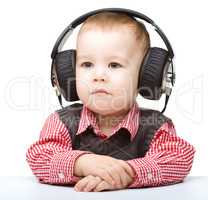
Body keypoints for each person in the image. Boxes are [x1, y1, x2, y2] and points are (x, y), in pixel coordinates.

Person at [26, 11, 195, 192]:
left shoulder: (155, 127)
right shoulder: (60, 122)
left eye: (114, 65)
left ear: (146, 77)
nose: (98, 76)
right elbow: (39, 156)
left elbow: (179, 158)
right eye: (87, 64)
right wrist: (82, 163)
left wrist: (127, 174)